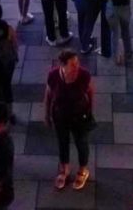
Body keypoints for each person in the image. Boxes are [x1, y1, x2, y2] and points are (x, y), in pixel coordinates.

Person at [44, 50, 94, 191]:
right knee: (62, 141)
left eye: (77, 62)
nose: (76, 66)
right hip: (60, 116)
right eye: (72, 64)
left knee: (81, 143)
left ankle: (83, 170)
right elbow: (48, 95)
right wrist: (46, 115)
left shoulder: (83, 75)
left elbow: (90, 92)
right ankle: (64, 168)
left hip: (79, 116)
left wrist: (89, 111)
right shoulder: (53, 76)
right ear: (62, 65)